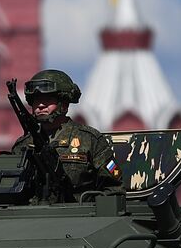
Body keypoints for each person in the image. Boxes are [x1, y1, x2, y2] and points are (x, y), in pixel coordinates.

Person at [10, 69, 121, 197]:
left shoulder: (89, 140)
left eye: (48, 99)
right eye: (36, 100)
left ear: (64, 103)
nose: (40, 105)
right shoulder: (23, 145)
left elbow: (114, 188)